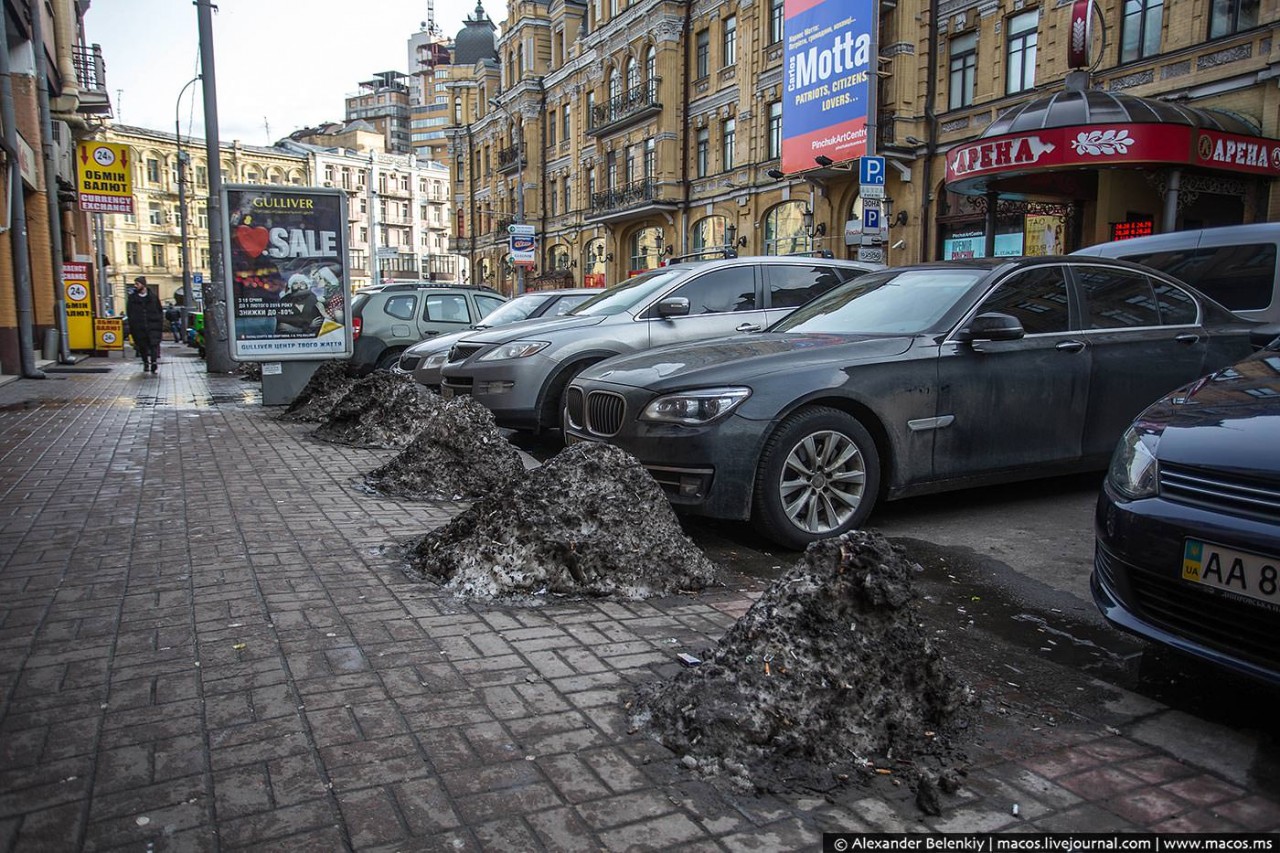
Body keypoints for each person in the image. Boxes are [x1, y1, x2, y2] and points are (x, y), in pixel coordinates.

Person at [126, 276, 164, 373]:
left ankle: (154, 362)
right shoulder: (132, 298)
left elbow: (159, 311)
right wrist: (132, 325)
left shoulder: (153, 297)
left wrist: (159, 323)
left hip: (153, 326)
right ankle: (145, 362)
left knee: (154, 345)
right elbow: (129, 312)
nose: (135, 286)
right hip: (139, 327)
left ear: (143, 285)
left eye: (137, 284)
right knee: (142, 346)